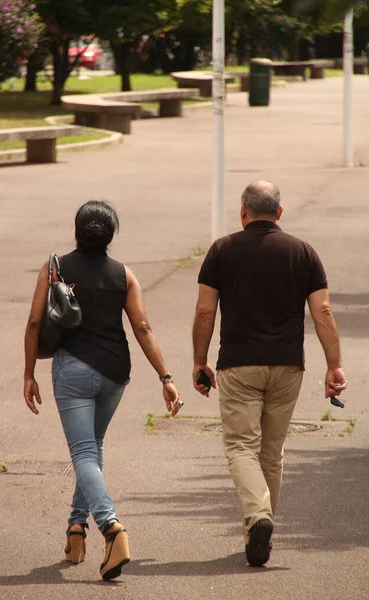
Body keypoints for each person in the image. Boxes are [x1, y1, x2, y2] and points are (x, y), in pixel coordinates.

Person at [24, 200, 181, 581]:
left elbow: (34, 322)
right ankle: (76, 530)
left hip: (73, 371)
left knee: (83, 452)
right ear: (112, 236)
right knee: (92, 449)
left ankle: (112, 529)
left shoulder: (55, 268)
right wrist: (166, 378)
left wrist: (28, 373)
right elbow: (143, 329)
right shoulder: (124, 274)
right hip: (115, 373)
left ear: (76, 231)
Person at [192, 181, 347, 567]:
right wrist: (334, 364)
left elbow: (205, 312)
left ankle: (259, 516)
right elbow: (323, 311)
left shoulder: (222, 250)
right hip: (287, 365)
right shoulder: (302, 252)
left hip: (239, 365)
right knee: (271, 453)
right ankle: (257, 535)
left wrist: (200, 360)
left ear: (243, 212)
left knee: (241, 447)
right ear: (279, 212)